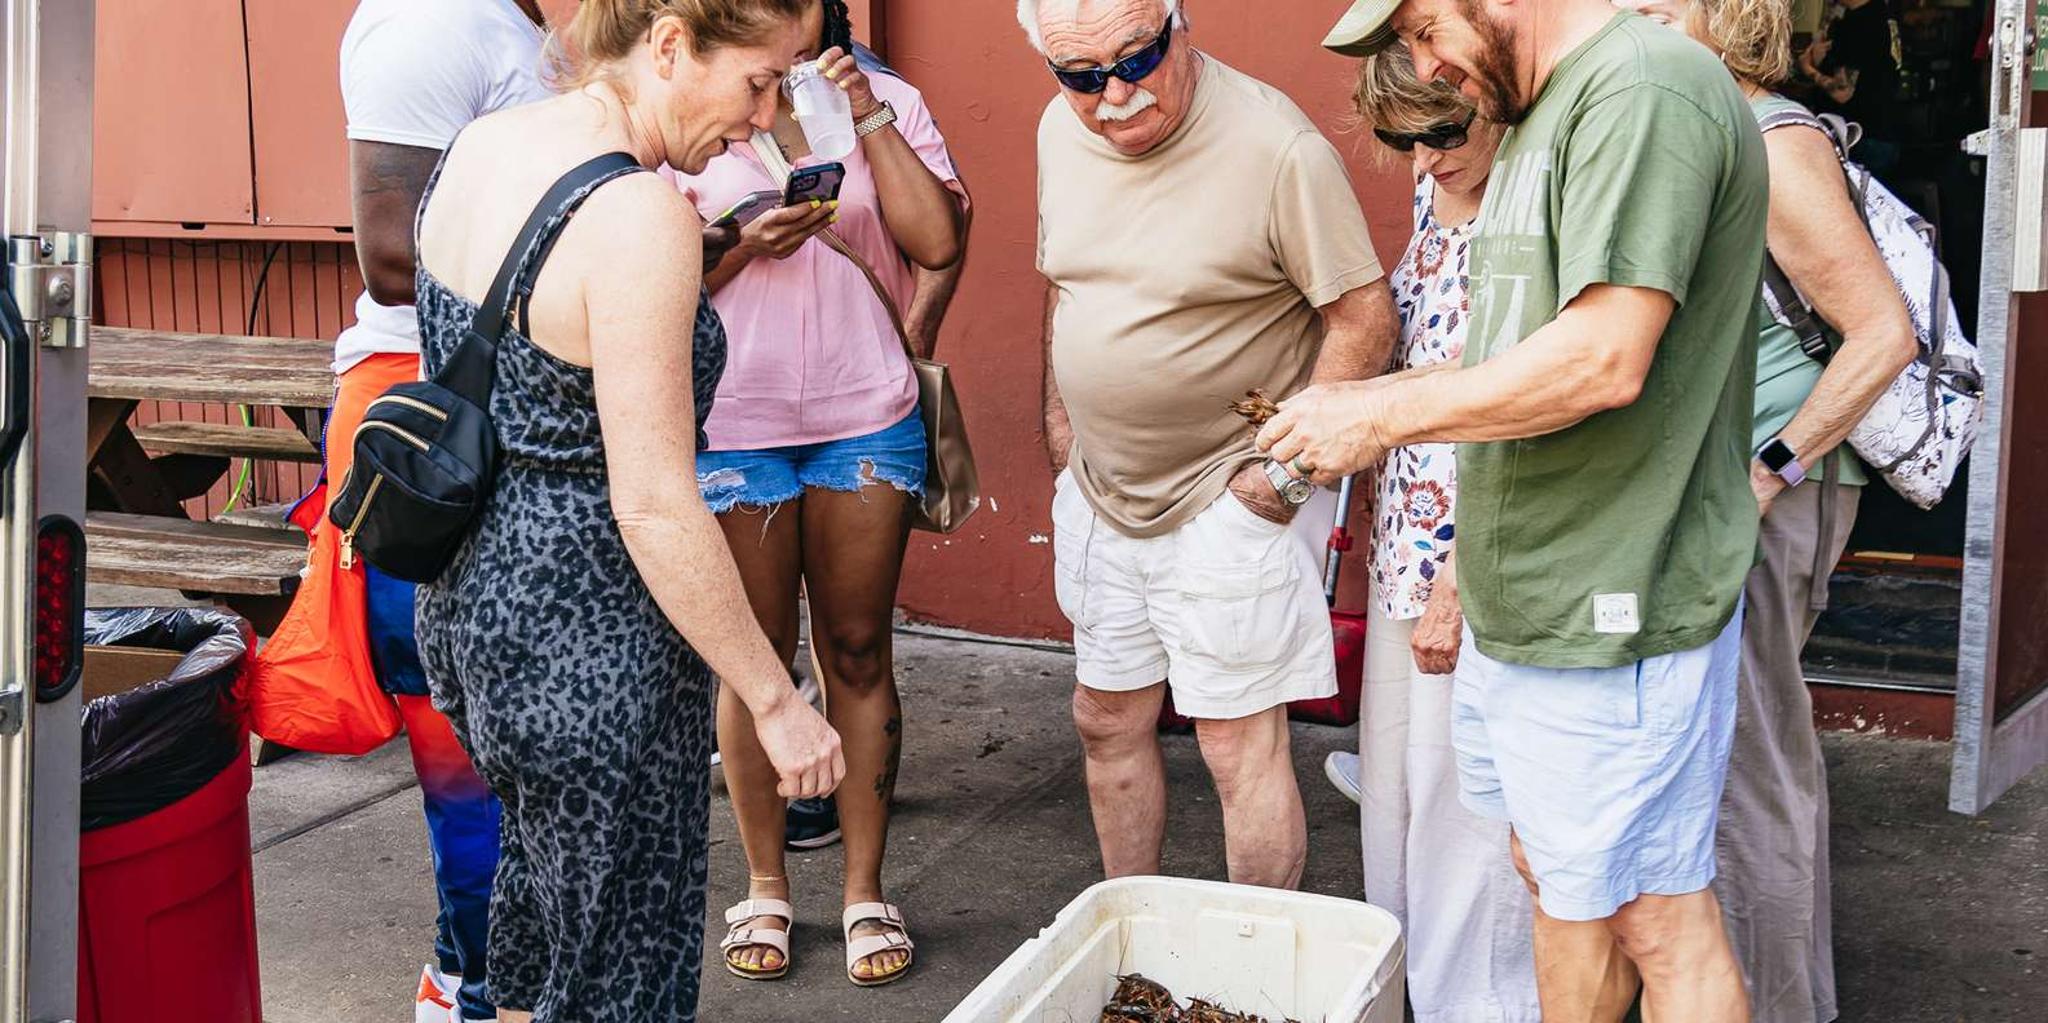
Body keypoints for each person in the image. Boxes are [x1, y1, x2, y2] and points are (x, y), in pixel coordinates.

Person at [1302, 0, 1770, 1018]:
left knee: (1656, 917)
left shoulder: (1642, 89)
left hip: (1614, 602)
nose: (1425, 65)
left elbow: (1604, 359)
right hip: (1535, 597)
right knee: (1564, 891)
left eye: (1426, 29)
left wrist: (1375, 411)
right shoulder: (1545, 107)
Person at [412, 2, 846, 1020]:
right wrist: (777, 703)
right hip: (593, 649)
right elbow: (652, 503)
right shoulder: (637, 215)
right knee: (618, 978)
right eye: (758, 81)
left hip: (472, 612)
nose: (766, 116)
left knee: (532, 913)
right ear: (665, 46)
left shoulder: (483, 144)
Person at [1020, 0, 1398, 890]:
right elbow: (1063, 282)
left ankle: (1252, 967)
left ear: (1178, 25)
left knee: (1238, 743)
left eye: (1136, 59)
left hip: (1225, 499)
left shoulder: (1278, 147)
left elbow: (1364, 318)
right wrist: (1059, 423)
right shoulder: (1057, 128)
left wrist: (1280, 478)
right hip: (1100, 490)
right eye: (1079, 75)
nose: (1113, 95)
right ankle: (1134, 929)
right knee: (1107, 719)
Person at [1616, 0, 1917, 1019]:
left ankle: (1781, 1002)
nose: (1636, 9)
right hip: (1715, 494)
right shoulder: (1694, 119)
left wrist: (1766, 471)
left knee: (1749, 761)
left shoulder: (1772, 140)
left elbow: (1881, 334)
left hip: (1766, 497)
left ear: (1730, 12)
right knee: (1713, 756)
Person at [670, 0, 963, 988]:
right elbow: (650, 275)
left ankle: (865, 888)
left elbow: (937, 243)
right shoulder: (691, 106)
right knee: (753, 660)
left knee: (855, 647)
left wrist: (868, 115)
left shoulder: (884, 96)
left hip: (865, 418)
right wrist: (744, 242)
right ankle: (765, 883)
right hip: (733, 421)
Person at [331, 2, 557, 1018]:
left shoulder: (511, 16)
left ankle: (467, 968)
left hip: (501, 405)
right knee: (463, 745)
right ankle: (475, 987)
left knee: (516, 745)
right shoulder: (427, 20)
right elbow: (389, 251)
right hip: (435, 430)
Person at [1328, 43, 1542, 1023]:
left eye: (1440, 133)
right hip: (1407, 544)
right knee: (1397, 803)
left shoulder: (1531, 210)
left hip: (1478, 553)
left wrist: (1456, 583)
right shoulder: (1440, 193)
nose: (1420, 157)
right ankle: (1406, 995)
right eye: (1396, 138)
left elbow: (1518, 415)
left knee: (1466, 827)